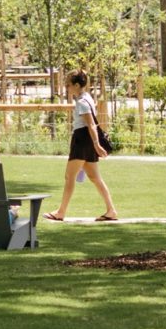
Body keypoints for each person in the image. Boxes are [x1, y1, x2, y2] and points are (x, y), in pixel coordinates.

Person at [50, 71, 120, 222]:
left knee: (70, 176)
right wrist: (95, 144)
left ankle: (61, 212)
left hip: (82, 140)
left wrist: (97, 145)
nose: (67, 87)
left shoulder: (82, 102)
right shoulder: (87, 97)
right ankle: (111, 210)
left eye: (68, 84)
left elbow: (91, 124)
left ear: (76, 85)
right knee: (95, 177)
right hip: (86, 140)